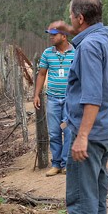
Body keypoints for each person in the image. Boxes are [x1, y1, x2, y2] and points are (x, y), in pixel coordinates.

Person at [49, 0, 108, 214]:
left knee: (79, 198)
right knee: (98, 190)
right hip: (107, 130)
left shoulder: (88, 47)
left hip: (89, 134)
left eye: (72, 16)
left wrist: (81, 137)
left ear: (80, 18)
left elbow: (91, 96)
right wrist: (69, 28)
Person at [34, 27, 76, 177]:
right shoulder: (47, 53)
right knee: (54, 132)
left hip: (70, 100)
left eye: (54, 35)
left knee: (69, 130)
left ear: (64, 36)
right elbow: (41, 74)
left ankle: (66, 163)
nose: (51, 37)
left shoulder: (75, 52)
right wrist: (36, 94)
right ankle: (56, 164)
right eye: (50, 35)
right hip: (52, 99)